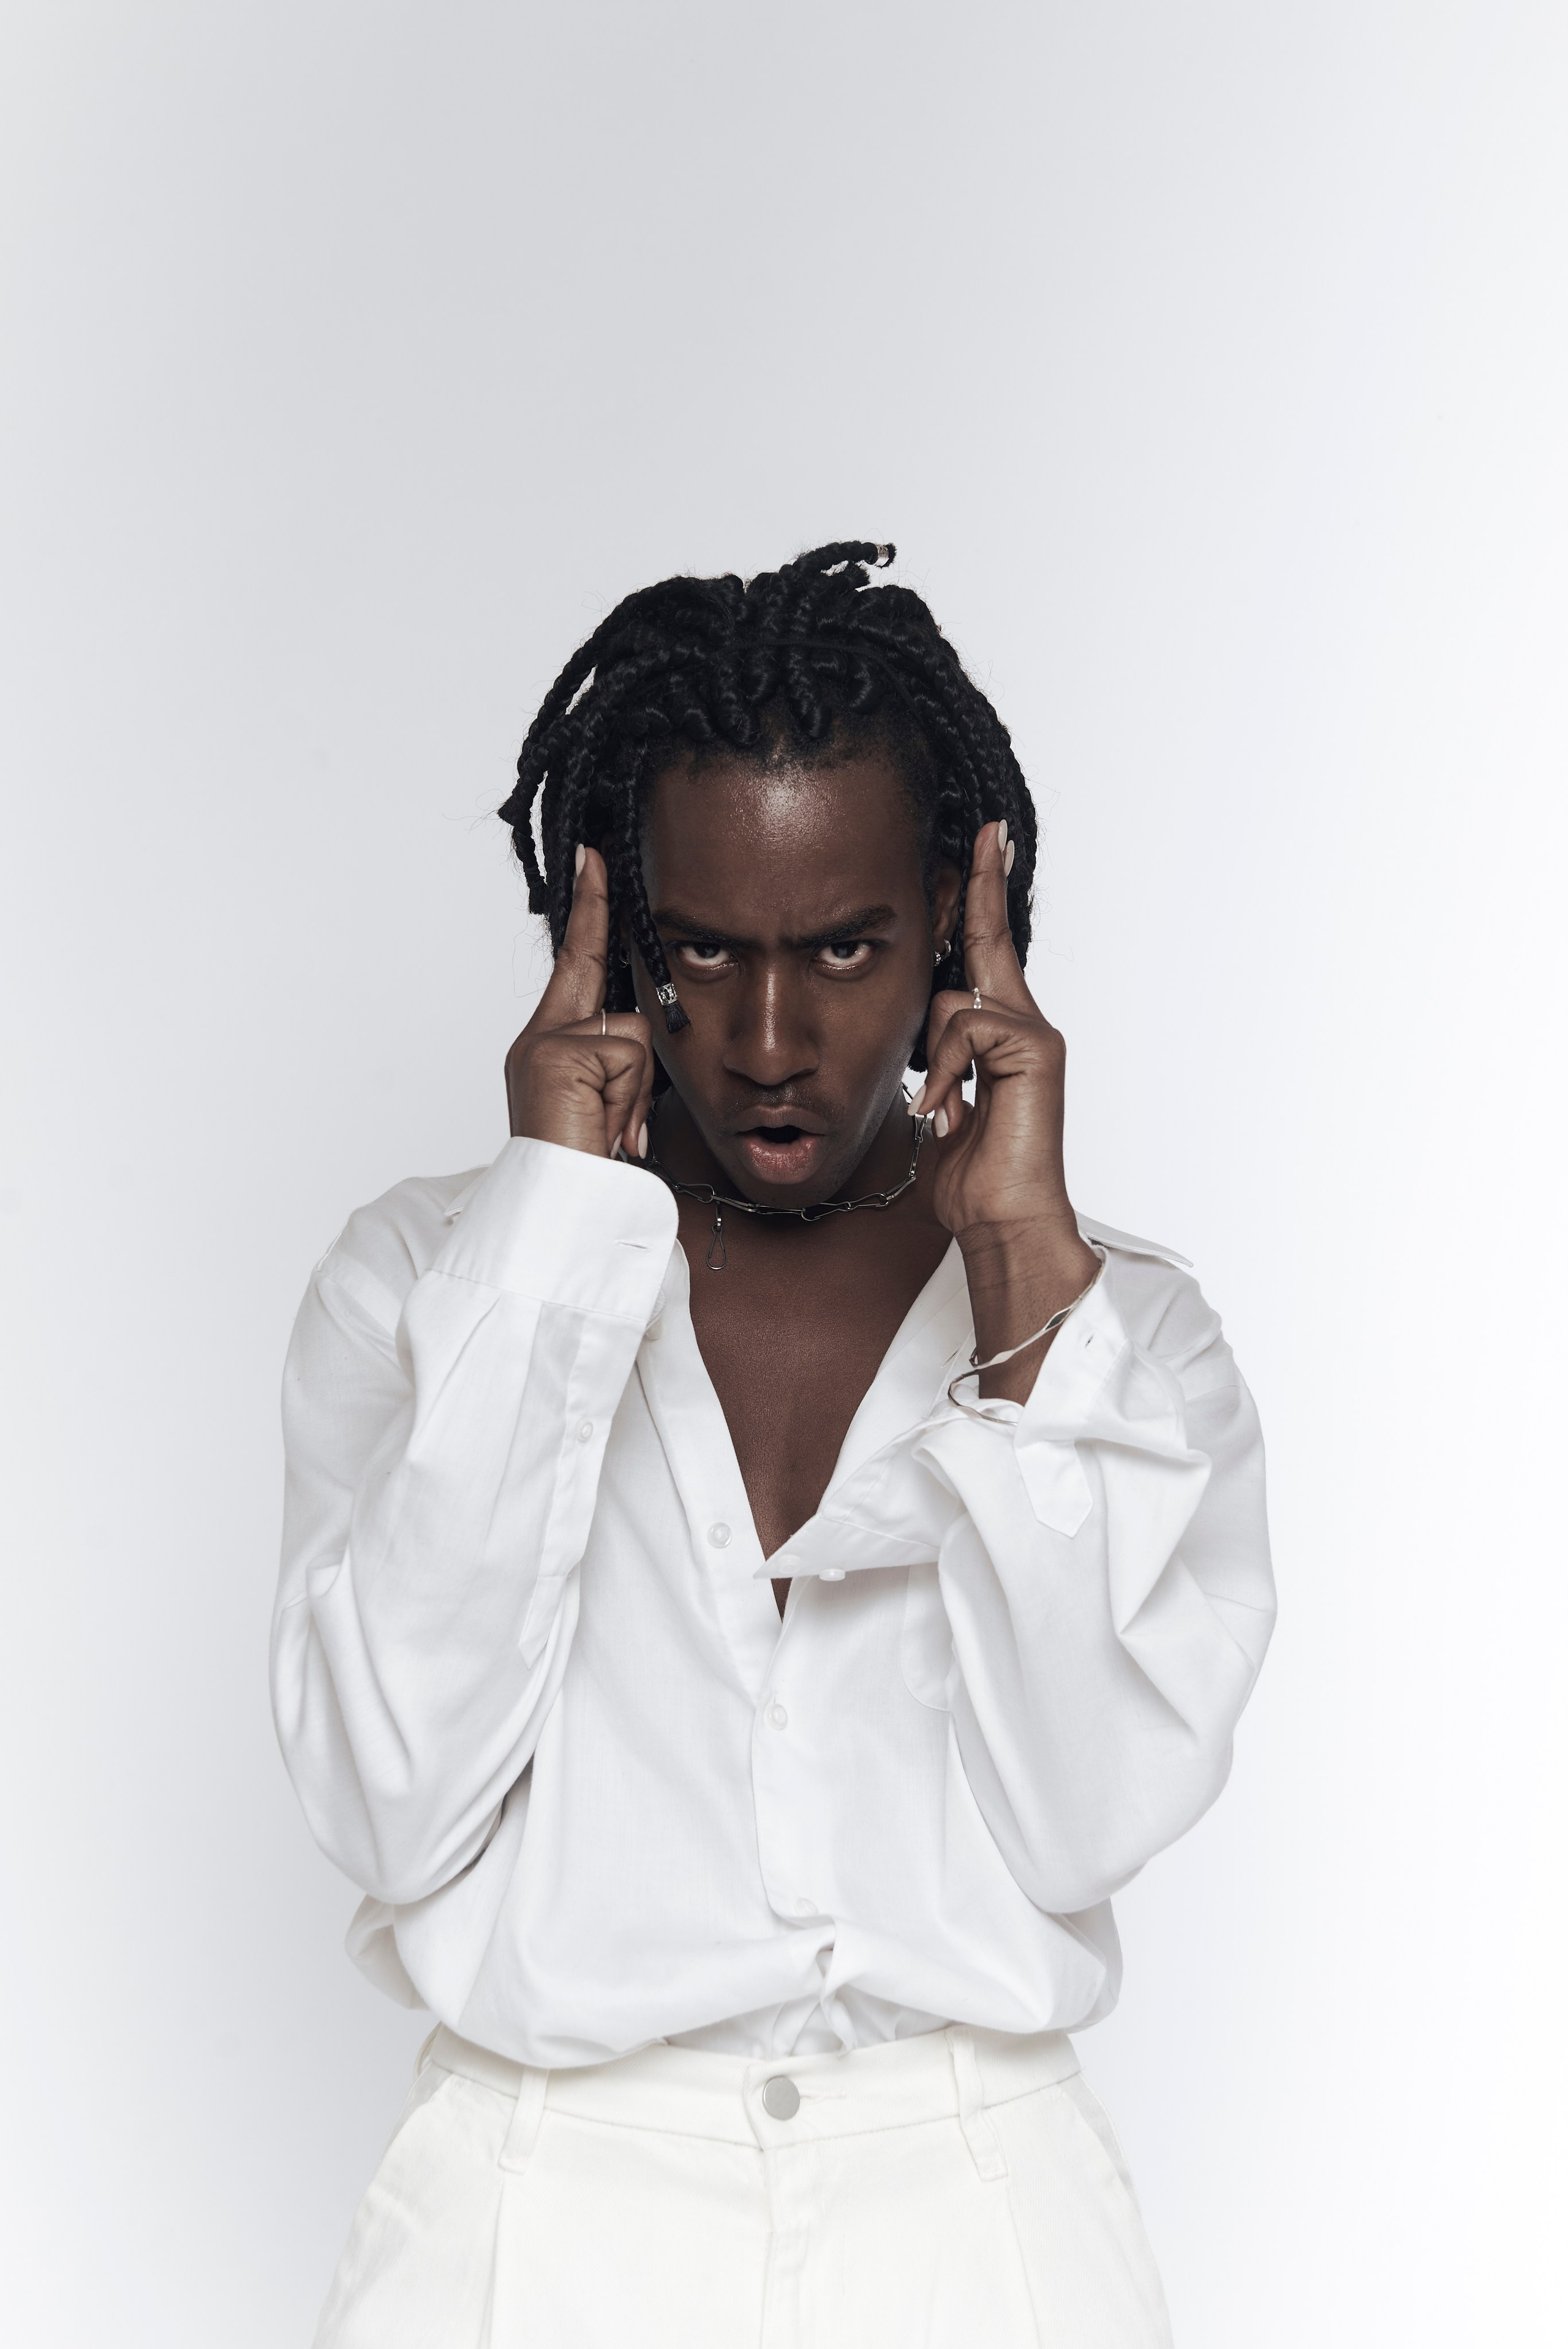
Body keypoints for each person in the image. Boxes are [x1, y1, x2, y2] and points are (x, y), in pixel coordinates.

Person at [271, 541, 1274, 2348]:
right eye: (703, 949)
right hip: (529, 2214)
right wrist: (557, 1234)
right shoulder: (425, 1286)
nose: (769, 1036)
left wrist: (1024, 1264)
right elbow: (389, 1795)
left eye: (844, 947)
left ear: (970, 933)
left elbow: (1090, 1810)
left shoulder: (1132, 1339)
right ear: (612, 934)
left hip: (977, 2229)